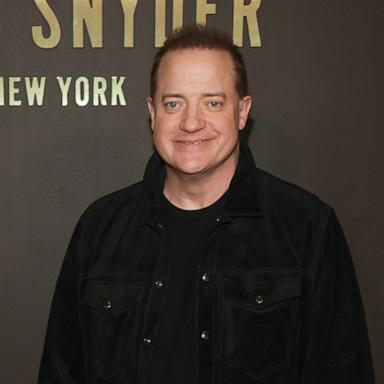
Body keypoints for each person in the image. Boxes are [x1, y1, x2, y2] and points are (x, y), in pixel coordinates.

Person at [38, 24, 375, 384]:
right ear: (152, 113)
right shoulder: (100, 228)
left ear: (242, 112)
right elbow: (61, 372)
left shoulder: (307, 228)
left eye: (213, 102)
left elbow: (342, 372)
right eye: (174, 103)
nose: (192, 122)